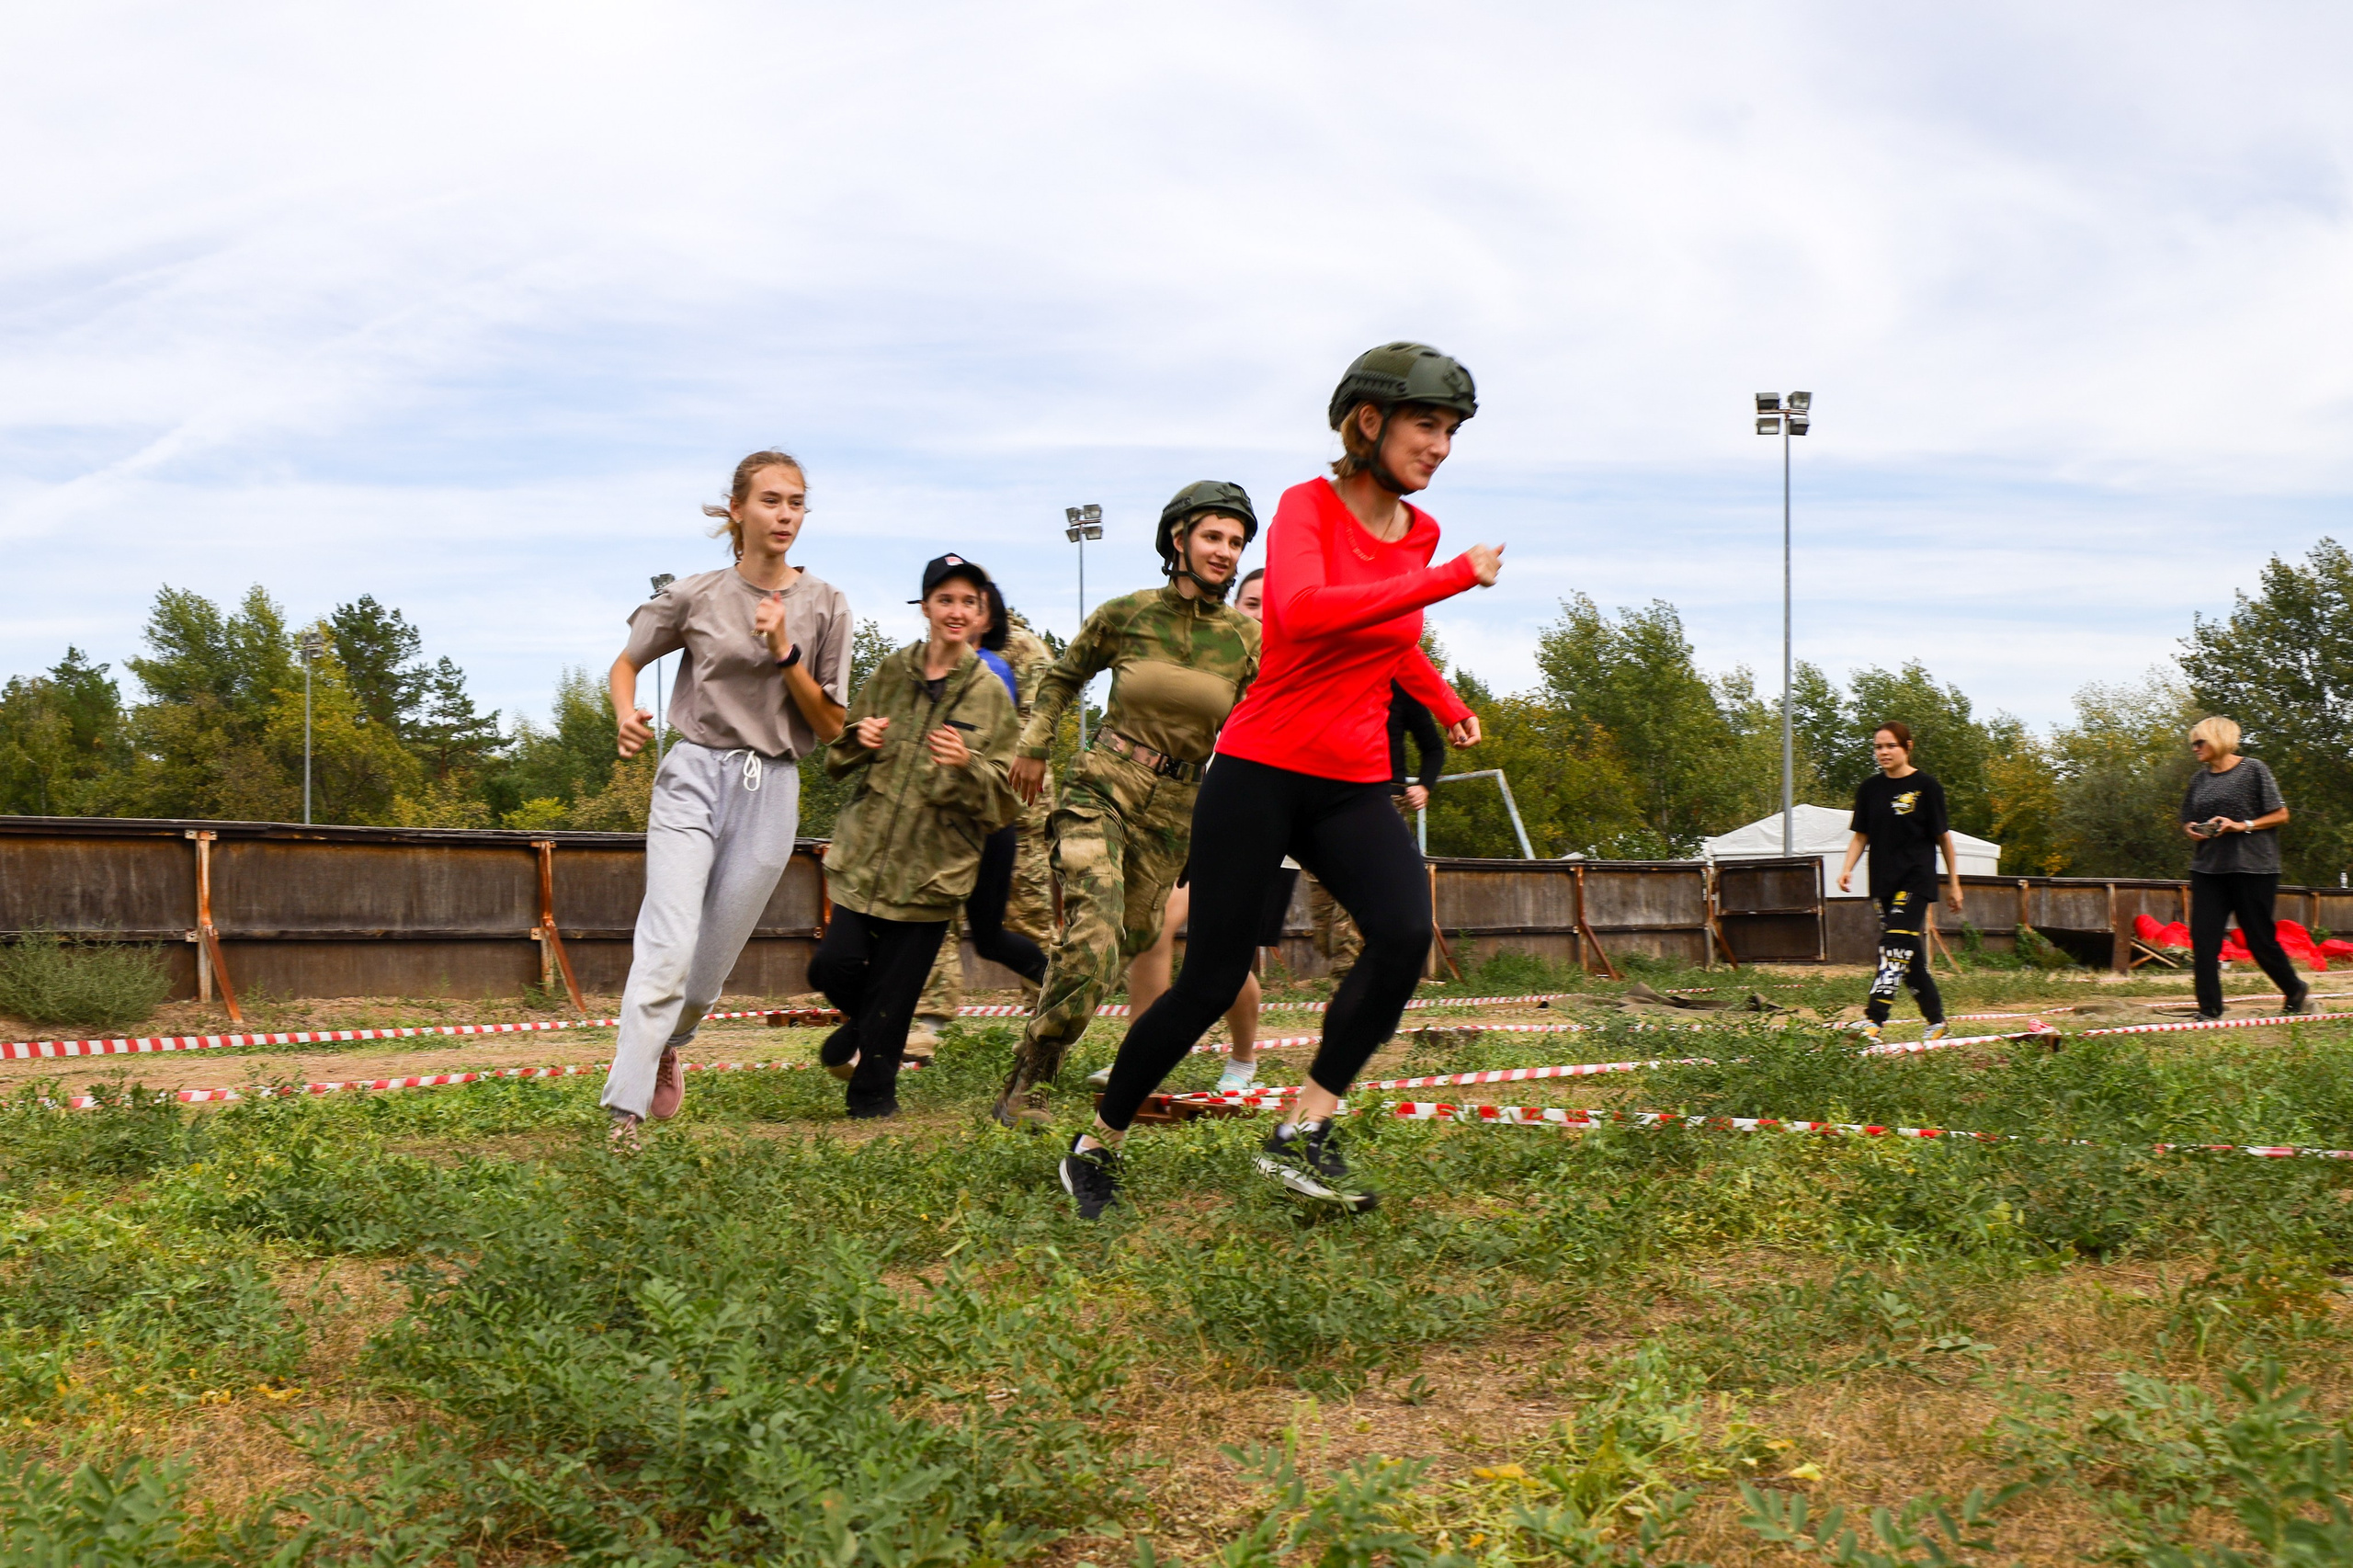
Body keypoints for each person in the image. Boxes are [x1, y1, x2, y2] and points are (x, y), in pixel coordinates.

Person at [1060, 342, 1499, 1218]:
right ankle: (1095, 1144)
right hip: (1260, 771)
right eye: (1427, 424)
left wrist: (1442, 698)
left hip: (1351, 779)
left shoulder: (1419, 533)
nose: (1441, 446)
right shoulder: (1308, 508)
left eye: (1452, 431)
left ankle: (1304, 1130)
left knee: (1403, 934)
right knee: (1211, 981)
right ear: (1369, 422)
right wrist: (1450, 579)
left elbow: (1390, 637)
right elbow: (1303, 613)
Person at [990, 482, 1263, 1129]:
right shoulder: (1128, 614)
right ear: (1178, 540)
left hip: (1177, 811)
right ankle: (1033, 1080)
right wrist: (1034, 743)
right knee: (1092, 934)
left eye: (1236, 542)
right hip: (1105, 785)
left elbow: (1261, 729)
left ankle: (1034, 1052)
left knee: (1122, 945)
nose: (1225, 551)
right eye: (1213, 536)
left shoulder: (1247, 639)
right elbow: (1064, 676)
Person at [598, 451, 853, 1147]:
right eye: (771, 500)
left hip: (772, 788)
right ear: (738, 510)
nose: (785, 514)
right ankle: (624, 1114)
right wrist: (624, 714)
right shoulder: (696, 595)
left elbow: (833, 725)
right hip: (693, 774)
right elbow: (626, 662)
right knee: (667, 942)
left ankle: (671, 1041)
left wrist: (785, 651)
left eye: (796, 502)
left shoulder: (826, 604)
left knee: (705, 970)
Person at [812, 555, 1022, 1118]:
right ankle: (869, 1026)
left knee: (894, 992)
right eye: (945, 600)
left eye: (968, 602)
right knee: (831, 967)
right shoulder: (890, 671)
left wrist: (968, 764)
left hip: (934, 869)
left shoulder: (990, 692)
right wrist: (860, 739)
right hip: (865, 857)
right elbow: (837, 756)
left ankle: (873, 1102)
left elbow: (1006, 798)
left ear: (981, 614)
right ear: (926, 607)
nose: (957, 611)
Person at [1120, 565, 1282, 1096]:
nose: (1260, 614)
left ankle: (1243, 1058)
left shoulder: (1298, 674)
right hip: (1203, 818)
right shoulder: (1218, 668)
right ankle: (1137, 1055)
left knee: (1220, 957)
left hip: (1275, 831)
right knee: (1153, 924)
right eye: (1251, 604)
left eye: (1271, 604)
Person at [907, 586, 1056, 1054]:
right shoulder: (934, 654)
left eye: (969, 602)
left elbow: (1037, 726)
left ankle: (1050, 1017)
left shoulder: (1024, 651)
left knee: (1027, 911)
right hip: (951, 798)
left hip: (1016, 798)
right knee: (936, 902)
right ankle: (928, 1020)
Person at [1834, 722, 1962, 1044]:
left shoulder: (1926, 787)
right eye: (1878, 747)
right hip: (1882, 883)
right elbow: (1860, 836)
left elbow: (1943, 838)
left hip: (1916, 880)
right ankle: (1937, 1021)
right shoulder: (1869, 789)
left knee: (1892, 946)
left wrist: (1954, 884)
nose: (1883, 752)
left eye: (1890, 746)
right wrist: (1847, 868)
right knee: (1907, 956)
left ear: (1907, 747)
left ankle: (1874, 1020)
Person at [2180, 715, 2308, 1020]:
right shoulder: (2198, 780)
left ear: (2219, 739)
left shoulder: (2254, 769)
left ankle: (2294, 989)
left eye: (2200, 742)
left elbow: (2281, 814)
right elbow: (2186, 818)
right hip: (2208, 868)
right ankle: (2209, 1009)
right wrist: (2192, 829)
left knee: (2258, 939)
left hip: (2253, 868)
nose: (2195, 748)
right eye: (2193, 743)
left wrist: (2241, 825)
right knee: (2203, 939)